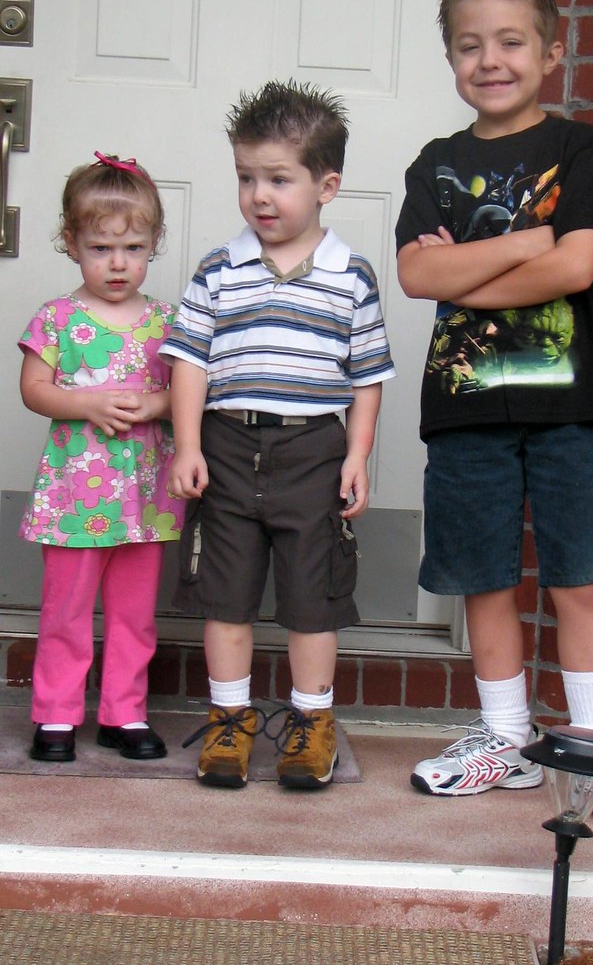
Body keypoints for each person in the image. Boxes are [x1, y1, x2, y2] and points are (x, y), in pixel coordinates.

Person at [395, 0, 593, 834]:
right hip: (466, 405)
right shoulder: (435, 165)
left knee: (580, 574)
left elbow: (576, 265)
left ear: (552, 51)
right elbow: (414, 272)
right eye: (469, 45)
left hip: (570, 407)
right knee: (482, 578)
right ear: (449, 56)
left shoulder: (579, 149)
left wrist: (465, 275)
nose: (491, 59)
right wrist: (531, 240)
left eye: (511, 42)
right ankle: (506, 741)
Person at [161, 80, 395, 790]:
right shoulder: (217, 271)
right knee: (225, 594)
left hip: (312, 450)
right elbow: (190, 362)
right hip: (229, 446)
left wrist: (357, 455)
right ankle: (229, 723)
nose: (259, 196)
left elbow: (366, 376)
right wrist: (190, 444)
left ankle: (310, 724)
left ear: (327, 185)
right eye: (246, 178)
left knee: (310, 597)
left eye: (278, 180)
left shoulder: (349, 277)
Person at [18, 152, 183, 763]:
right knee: (65, 612)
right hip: (73, 497)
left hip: (145, 497)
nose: (118, 264)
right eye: (100, 249)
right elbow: (34, 390)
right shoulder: (58, 319)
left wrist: (156, 404)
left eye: (134, 248)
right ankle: (57, 715)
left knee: (135, 616)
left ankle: (123, 712)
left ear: (153, 244)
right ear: (71, 243)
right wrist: (83, 402)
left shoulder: (167, 322)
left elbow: (189, 395)